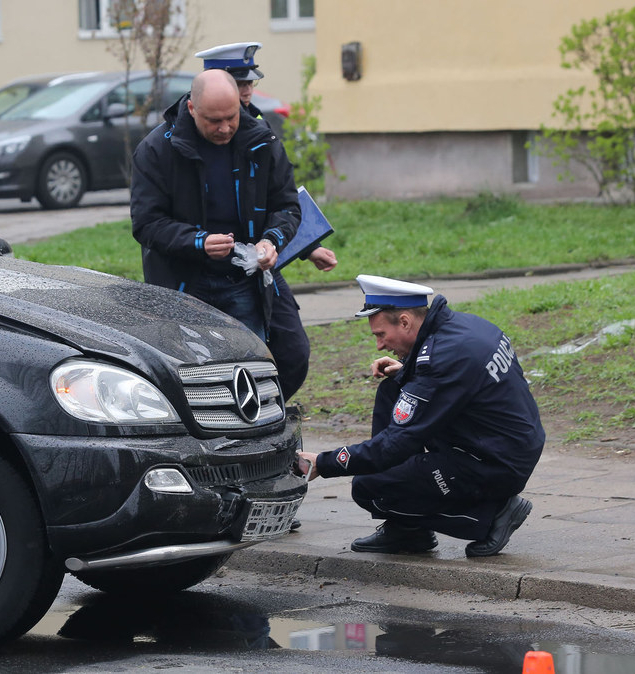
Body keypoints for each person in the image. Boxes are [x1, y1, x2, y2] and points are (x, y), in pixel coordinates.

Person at [297, 275, 545, 557]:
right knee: (392, 390)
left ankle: (492, 517)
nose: (379, 345)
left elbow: (394, 444)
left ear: (404, 321)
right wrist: (407, 370)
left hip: (495, 464)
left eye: (381, 335)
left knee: (369, 487)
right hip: (505, 443)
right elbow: (452, 382)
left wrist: (325, 463)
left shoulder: (442, 359)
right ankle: (408, 531)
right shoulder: (465, 326)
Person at [130, 69, 336, 399]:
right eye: (214, 120)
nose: (225, 128)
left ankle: (260, 429)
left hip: (245, 278)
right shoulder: (156, 150)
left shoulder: (260, 138)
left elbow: (285, 205)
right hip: (186, 282)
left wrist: (272, 240)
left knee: (271, 362)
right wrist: (198, 242)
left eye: (231, 117)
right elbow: (146, 224)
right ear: (192, 109)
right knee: (198, 375)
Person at [194, 42, 272, 129]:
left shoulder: (256, 118)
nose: (248, 92)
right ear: (214, 84)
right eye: (238, 84)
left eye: (250, 82)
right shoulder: (193, 124)